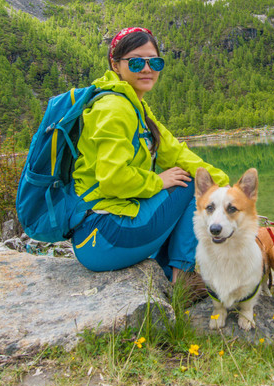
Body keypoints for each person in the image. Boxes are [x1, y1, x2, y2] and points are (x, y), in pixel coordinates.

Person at [67, 26, 228, 293]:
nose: (147, 68)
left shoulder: (135, 107)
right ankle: (182, 278)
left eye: (154, 61)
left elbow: (175, 151)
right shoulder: (114, 108)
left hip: (99, 235)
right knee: (191, 185)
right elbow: (112, 179)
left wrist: (224, 183)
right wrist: (157, 181)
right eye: (136, 62)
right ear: (116, 64)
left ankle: (170, 273)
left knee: (192, 176)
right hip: (103, 237)